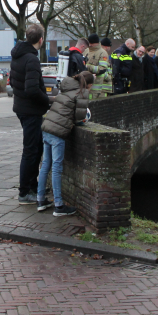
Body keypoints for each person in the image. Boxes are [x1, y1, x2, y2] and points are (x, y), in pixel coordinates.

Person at [37, 71, 93, 217]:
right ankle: (59, 206)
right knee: (56, 167)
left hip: (47, 128)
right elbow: (80, 118)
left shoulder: (66, 89)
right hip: (57, 133)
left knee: (45, 165)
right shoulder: (81, 93)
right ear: (89, 85)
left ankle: (40, 200)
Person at [10, 24, 51, 205]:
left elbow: (15, 83)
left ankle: (33, 187)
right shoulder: (31, 59)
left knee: (35, 149)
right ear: (40, 40)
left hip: (22, 108)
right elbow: (32, 89)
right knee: (31, 151)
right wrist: (48, 100)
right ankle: (25, 192)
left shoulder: (18, 56)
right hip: (31, 111)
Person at [84, 34, 111, 99]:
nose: (89, 45)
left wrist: (87, 66)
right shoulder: (86, 51)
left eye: (91, 43)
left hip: (95, 89)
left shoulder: (102, 53)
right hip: (84, 86)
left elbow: (102, 69)